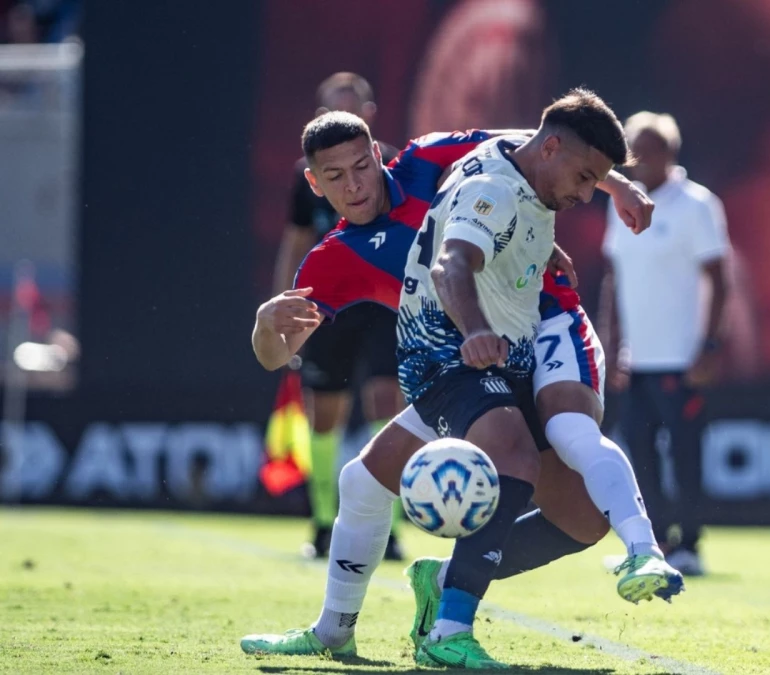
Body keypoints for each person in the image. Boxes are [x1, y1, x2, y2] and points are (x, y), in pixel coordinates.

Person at [244, 91, 680, 670]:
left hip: (534, 331)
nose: (354, 185)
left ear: (379, 153)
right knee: (375, 479)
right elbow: (277, 357)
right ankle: (347, 632)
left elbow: (538, 145)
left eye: (360, 167)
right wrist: (264, 327)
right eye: (335, 177)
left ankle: (448, 591)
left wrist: (616, 184)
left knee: (579, 512)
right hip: (462, 358)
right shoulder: (335, 259)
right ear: (315, 186)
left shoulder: (430, 157)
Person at [272, 73, 406, 560]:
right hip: (329, 310)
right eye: (330, 110)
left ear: (368, 116)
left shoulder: (396, 164)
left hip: (384, 309)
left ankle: (388, 531)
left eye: (350, 108)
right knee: (324, 417)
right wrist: (282, 310)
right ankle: (324, 525)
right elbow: (296, 241)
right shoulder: (305, 177)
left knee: (385, 407)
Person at [599, 111, 730, 576]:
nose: (638, 158)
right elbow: (613, 281)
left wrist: (709, 346)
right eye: (632, 148)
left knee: (686, 451)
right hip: (637, 361)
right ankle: (651, 544)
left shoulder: (698, 205)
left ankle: (690, 543)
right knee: (639, 452)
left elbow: (719, 278)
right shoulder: (623, 204)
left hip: (681, 358)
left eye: (648, 147)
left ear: (670, 152)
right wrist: (612, 348)